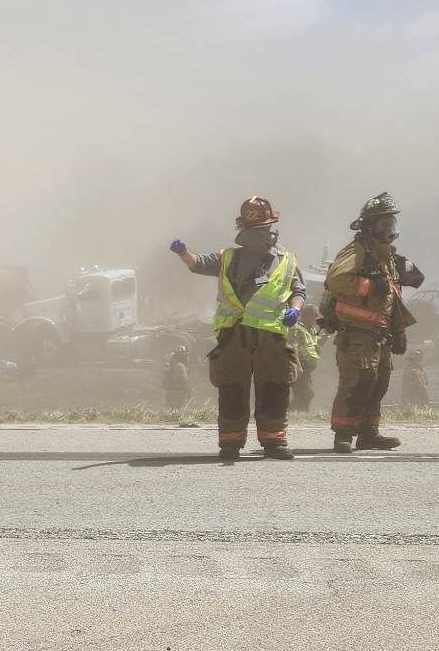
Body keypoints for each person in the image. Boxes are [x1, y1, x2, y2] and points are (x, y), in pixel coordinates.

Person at [170, 196, 306, 460]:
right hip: (234, 335)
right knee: (232, 387)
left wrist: (296, 309)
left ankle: (274, 441)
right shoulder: (227, 258)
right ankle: (230, 443)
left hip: (272, 335)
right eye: (255, 231)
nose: (261, 235)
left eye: (264, 229)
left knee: (275, 387)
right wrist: (182, 253)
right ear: (243, 231)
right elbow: (198, 263)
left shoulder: (286, 260)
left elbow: (298, 291)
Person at [322, 192, 415, 453]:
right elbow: (337, 281)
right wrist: (370, 284)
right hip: (357, 334)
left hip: (380, 335)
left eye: (391, 225)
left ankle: (368, 435)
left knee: (379, 383)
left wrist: (399, 331)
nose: (389, 230)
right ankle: (343, 434)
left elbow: (392, 297)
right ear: (368, 226)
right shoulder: (356, 251)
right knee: (357, 383)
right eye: (383, 225)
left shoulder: (387, 258)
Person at [162, 345, 192, 410]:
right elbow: (184, 381)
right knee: (178, 411)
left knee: (170, 411)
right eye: (186, 356)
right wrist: (189, 390)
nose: (188, 358)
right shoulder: (180, 366)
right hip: (178, 394)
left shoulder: (171, 364)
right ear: (183, 356)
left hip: (169, 393)